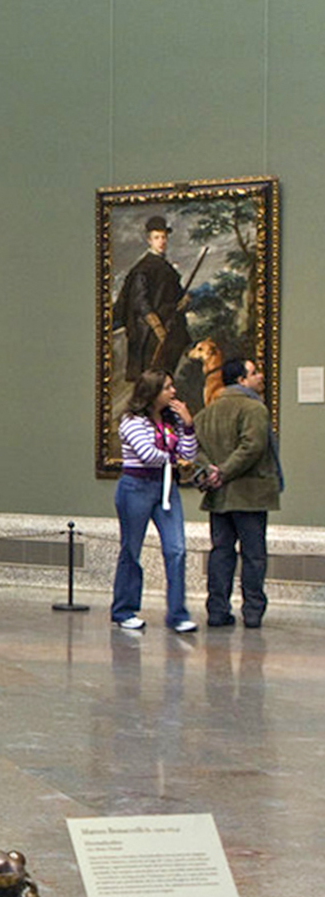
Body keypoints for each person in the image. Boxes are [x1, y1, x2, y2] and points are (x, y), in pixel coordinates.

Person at [194, 357, 281, 629]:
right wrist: (225, 471)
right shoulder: (254, 408)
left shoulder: (207, 412)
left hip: (219, 496)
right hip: (249, 494)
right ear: (241, 380)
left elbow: (194, 447)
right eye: (254, 373)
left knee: (221, 553)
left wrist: (211, 472)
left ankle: (217, 610)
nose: (260, 377)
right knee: (254, 555)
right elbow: (253, 446)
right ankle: (253, 612)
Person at [110, 369, 198, 632]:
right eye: (167, 388)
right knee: (131, 549)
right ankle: (124, 610)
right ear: (152, 392)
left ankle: (177, 614)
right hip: (135, 487)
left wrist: (189, 425)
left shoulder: (172, 420)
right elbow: (148, 453)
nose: (173, 392)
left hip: (166, 486)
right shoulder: (131, 420)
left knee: (176, 549)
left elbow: (188, 452)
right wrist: (176, 459)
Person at [115, 215, 185, 383]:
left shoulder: (165, 266)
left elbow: (173, 293)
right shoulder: (142, 269)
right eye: (156, 238)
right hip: (149, 333)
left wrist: (183, 301)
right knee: (152, 378)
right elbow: (141, 302)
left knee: (168, 373)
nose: (161, 241)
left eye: (163, 237)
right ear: (149, 240)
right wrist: (158, 328)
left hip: (168, 326)